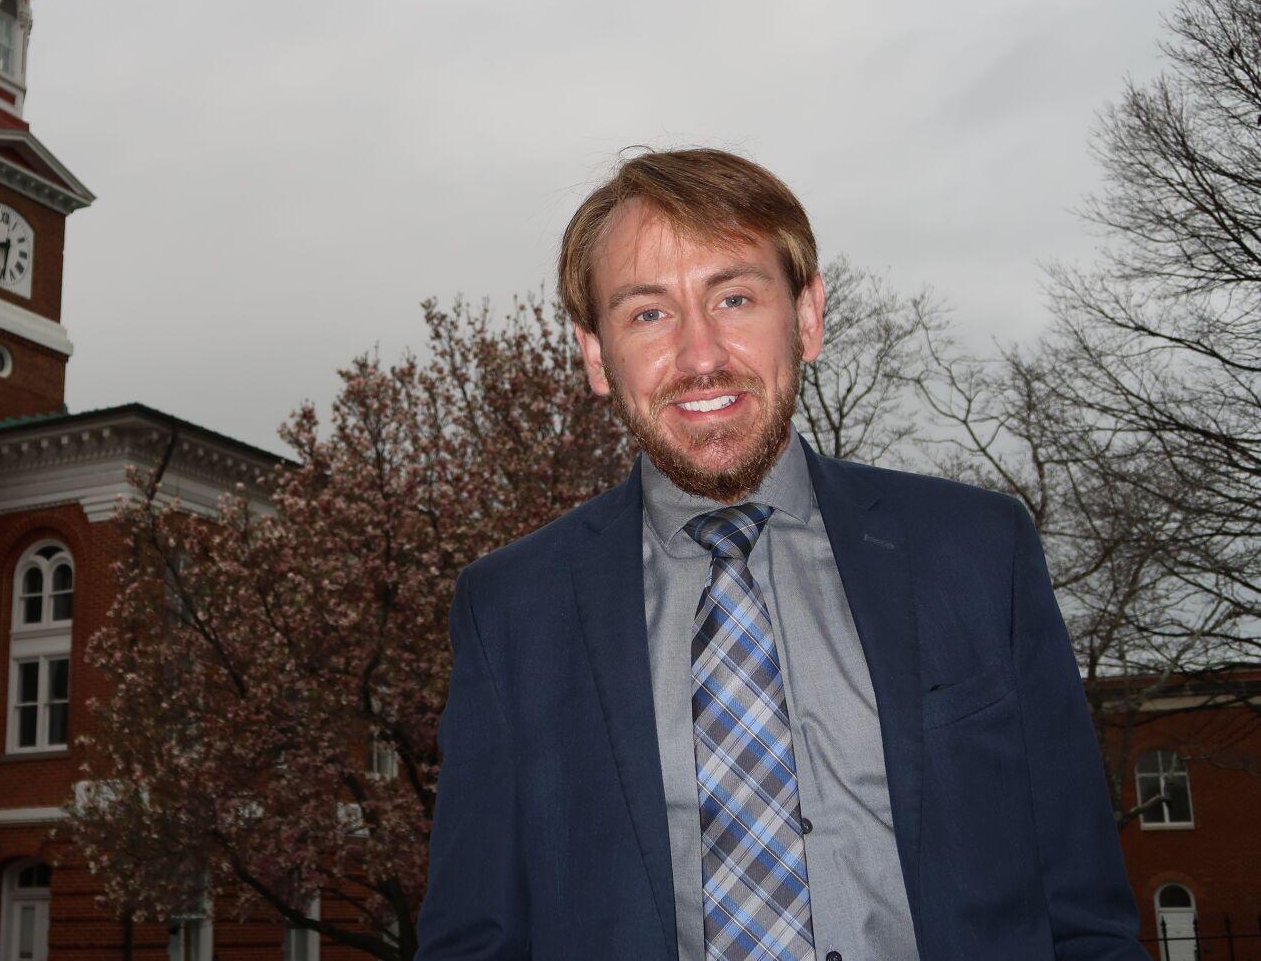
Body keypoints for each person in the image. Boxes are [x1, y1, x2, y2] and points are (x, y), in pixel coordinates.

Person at [415, 149, 1145, 960]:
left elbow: (1085, 921)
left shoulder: (977, 554)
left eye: (733, 297)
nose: (699, 355)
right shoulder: (511, 610)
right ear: (595, 355)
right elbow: (471, 940)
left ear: (806, 317)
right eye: (647, 313)